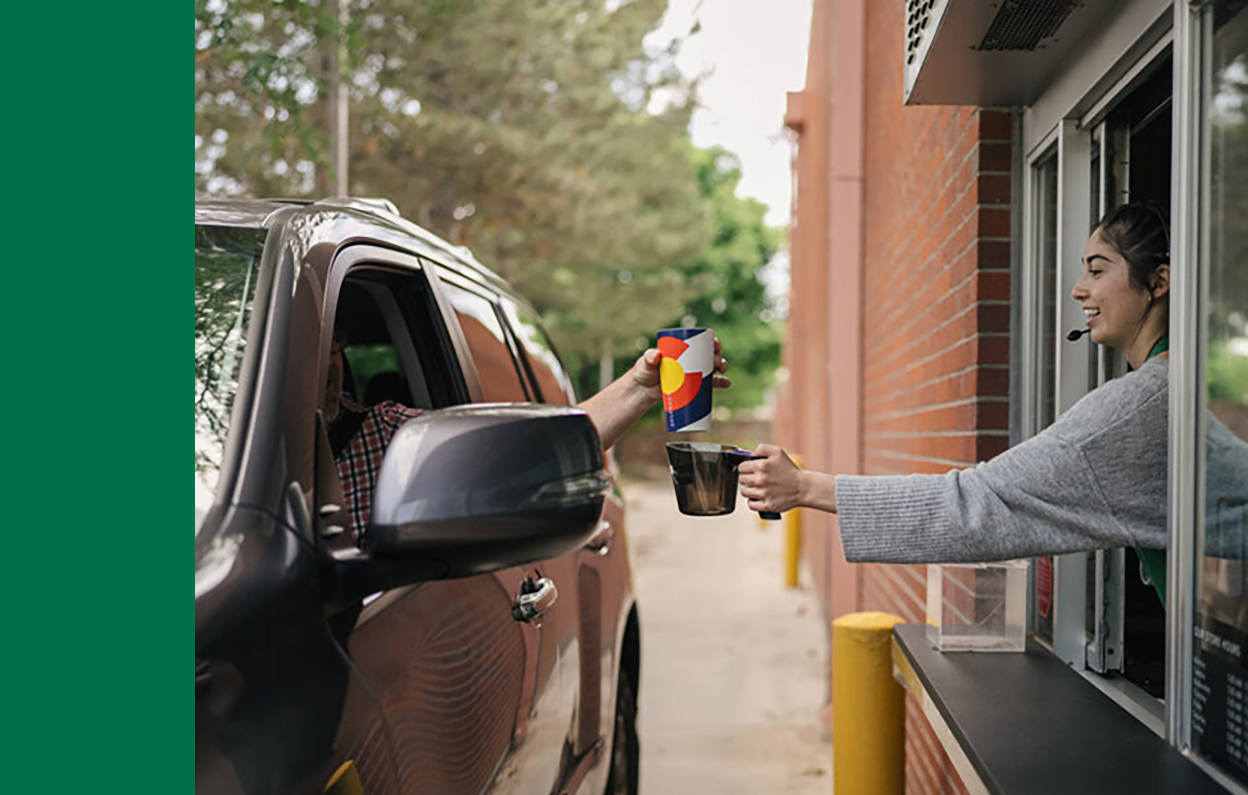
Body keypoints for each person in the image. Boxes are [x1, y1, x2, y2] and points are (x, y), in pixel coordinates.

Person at [738, 202, 1182, 599]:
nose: (1077, 289)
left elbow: (977, 503)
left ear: (1158, 281)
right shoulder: (1178, 385)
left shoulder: (1144, 404)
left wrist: (803, 487)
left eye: (1097, 270)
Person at [324, 335, 731, 548]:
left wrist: (641, 390)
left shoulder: (393, 434)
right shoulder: (260, 451)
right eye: (314, 346)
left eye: (334, 344)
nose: (326, 363)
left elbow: (535, 449)